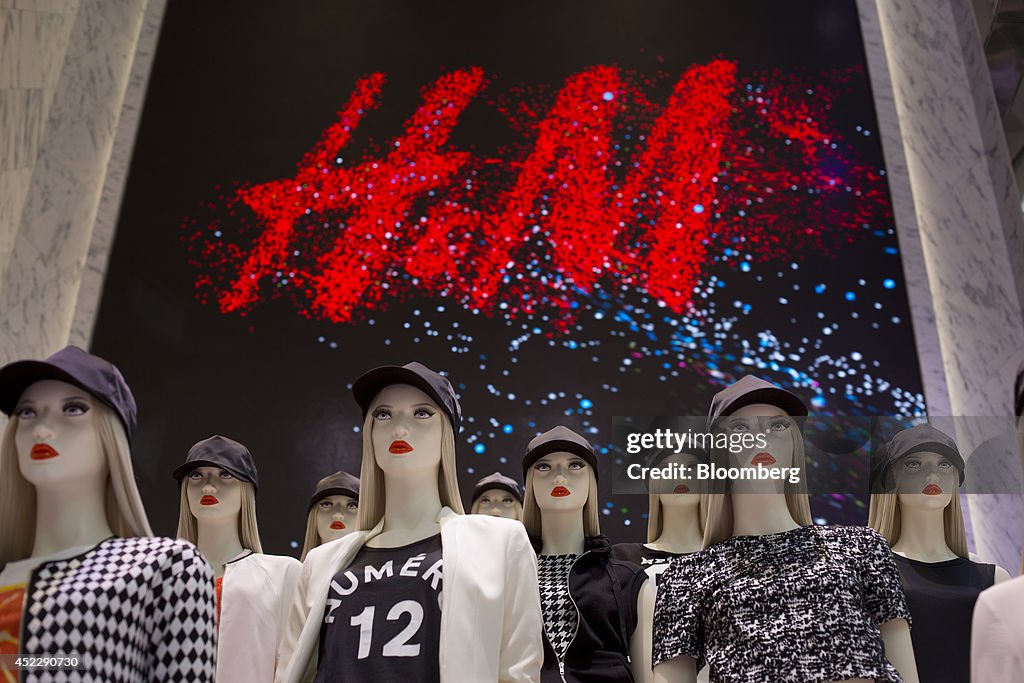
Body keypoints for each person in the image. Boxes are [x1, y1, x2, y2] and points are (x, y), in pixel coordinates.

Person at [276, 362, 543, 683]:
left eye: (422, 413)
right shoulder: (320, 563)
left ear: (447, 432)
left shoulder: (500, 544)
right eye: (383, 415)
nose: (399, 429)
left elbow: (517, 672)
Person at [653, 375, 919, 683]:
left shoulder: (861, 547)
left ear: (795, 441)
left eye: (777, 426)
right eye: (741, 428)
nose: (761, 438)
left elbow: (905, 669)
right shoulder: (687, 577)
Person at [0, 345, 215, 682]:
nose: (41, 429)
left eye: (72, 409)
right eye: (28, 413)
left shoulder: (165, 567)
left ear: (110, 434)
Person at [868, 423, 1010, 683]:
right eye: (913, 464)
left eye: (944, 464)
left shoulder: (994, 580)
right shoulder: (873, 575)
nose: (932, 475)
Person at [523, 425, 647, 682]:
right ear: (529, 483)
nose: (559, 478)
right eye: (544, 467)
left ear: (592, 481)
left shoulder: (628, 579)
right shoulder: (509, 575)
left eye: (575, 465)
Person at [174, 435, 301, 682]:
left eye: (225, 475)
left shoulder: (283, 573)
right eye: (196, 476)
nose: (208, 487)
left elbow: (294, 666)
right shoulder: (160, 578)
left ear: (246, 489)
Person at [611, 417, 708, 683]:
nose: (680, 476)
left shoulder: (727, 558)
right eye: (667, 469)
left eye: (691, 469)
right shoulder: (622, 560)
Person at [300, 471, 360, 561]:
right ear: (314, 515)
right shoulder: (293, 572)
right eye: (327, 504)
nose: (338, 515)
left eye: (351, 506)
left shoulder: (377, 574)